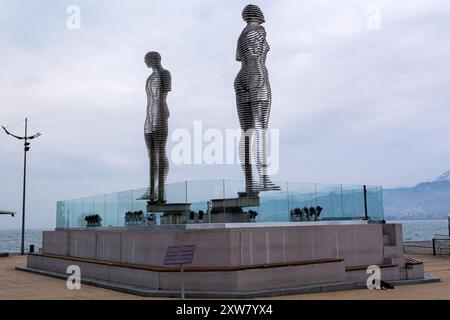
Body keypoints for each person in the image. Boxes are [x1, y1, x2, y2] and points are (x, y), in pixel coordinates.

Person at [234, 4, 279, 195]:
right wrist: (258, 82)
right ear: (259, 14)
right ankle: (264, 178)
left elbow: (240, 58)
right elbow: (256, 56)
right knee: (260, 130)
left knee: (247, 133)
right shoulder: (259, 30)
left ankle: (249, 182)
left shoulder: (242, 34)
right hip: (257, 76)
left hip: (240, 78)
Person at [141, 51, 171, 203]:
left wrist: (162, 115)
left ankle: (161, 191)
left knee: (160, 152)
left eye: (147, 60)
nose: (145, 62)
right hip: (149, 117)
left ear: (154, 59)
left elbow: (163, 96)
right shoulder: (149, 78)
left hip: (159, 115)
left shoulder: (165, 74)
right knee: (151, 155)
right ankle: (151, 190)